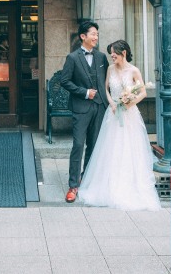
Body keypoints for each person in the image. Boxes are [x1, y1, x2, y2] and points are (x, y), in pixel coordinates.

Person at [78, 39, 161, 210]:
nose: (112, 56)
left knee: (129, 148)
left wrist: (129, 103)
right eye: (111, 54)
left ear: (123, 53)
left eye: (114, 53)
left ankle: (128, 184)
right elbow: (105, 89)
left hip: (129, 115)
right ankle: (109, 184)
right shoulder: (110, 69)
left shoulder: (134, 70)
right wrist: (113, 103)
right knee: (111, 148)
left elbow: (142, 92)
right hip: (113, 113)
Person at [60, 20, 109, 203]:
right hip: (81, 108)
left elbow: (107, 81)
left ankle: (86, 178)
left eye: (97, 34)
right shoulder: (72, 58)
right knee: (78, 145)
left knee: (94, 145)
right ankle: (73, 185)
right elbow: (65, 81)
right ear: (83, 36)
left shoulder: (102, 57)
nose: (96, 37)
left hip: (100, 107)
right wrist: (85, 92)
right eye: (93, 34)